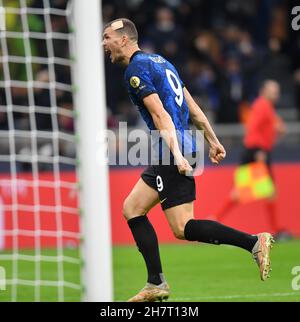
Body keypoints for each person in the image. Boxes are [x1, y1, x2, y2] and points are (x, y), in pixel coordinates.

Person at [102, 18, 274, 302]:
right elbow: (192, 106)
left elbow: (160, 115)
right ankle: (155, 282)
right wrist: (212, 139)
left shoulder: (135, 69)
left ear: (124, 39)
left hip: (172, 149)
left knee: (182, 227)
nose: (104, 43)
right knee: (132, 207)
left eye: (107, 37)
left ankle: (253, 242)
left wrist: (179, 156)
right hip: (179, 146)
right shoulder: (161, 62)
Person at [215, 80, 289, 240]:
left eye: (277, 91)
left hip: (257, 151)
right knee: (255, 192)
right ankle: (213, 221)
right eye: (273, 91)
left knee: (252, 192)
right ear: (263, 91)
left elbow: (273, 125)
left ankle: (214, 220)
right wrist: (259, 151)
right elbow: (253, 129)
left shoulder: (265, 107)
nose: (276, 94)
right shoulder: (262, 106)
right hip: (257, 153)